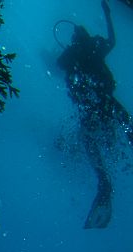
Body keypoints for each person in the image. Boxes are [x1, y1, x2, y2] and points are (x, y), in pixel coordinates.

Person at [56, 0, 132, 228]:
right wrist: (107, 15)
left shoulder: (72, 56)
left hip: (90, 108)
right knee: (124, 123)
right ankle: (104, 182)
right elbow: (113, 41)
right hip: (106, 102)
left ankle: (103, 182)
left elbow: (61, 65)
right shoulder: (94, 48)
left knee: (87, 137)